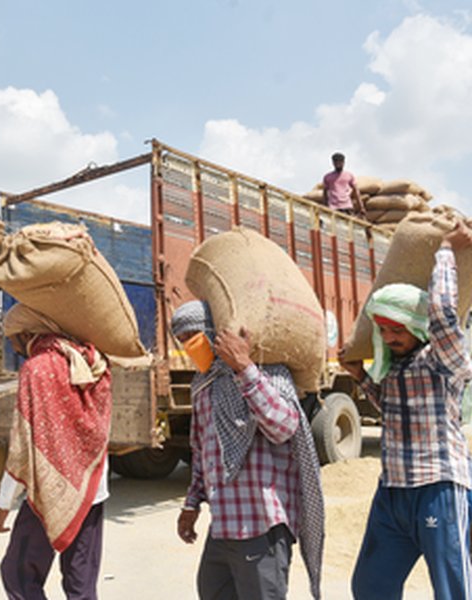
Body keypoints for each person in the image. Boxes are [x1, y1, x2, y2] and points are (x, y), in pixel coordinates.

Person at [340, 222, 472, 599]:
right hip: (392, 493)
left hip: (438, 489)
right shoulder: (394, 367)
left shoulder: (443, 360)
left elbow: (444, 316)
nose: (388, 337)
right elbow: (394, 410)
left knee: (452, 591)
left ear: (416, 325)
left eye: (396, 329)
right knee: (370, 586)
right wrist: (362, 377)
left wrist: (446, 249)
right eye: (382, 329)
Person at [172, 300, 324, 600]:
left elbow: (284, 426)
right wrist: (191, 504)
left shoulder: (268, 372)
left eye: (192, 339)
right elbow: (201, 451)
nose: (189, 349)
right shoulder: (202, 385)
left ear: (214, 333)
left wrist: (243, 368)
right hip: (223, 526)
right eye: (181, 343)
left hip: (262, 525)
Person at [0, 303, 112, 599]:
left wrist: (3, 503)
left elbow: (23, 446)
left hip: (50, 490)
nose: (14, 345)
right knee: (81, 585)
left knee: (19, 575)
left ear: (26, 333)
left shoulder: (37, 369)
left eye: (13, 338)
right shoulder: (95, 361)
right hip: (92, 488)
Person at [322, 152, 365, 218]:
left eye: (340, 162)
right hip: (333, 207)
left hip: (346, 206)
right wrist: (325, 207)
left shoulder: (349, 175)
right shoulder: (328, 177)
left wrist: (361, 207)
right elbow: (325, 193)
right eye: (336, 162)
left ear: (343, 163)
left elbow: (356, 191)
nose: (338, 164)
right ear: (333, 163)